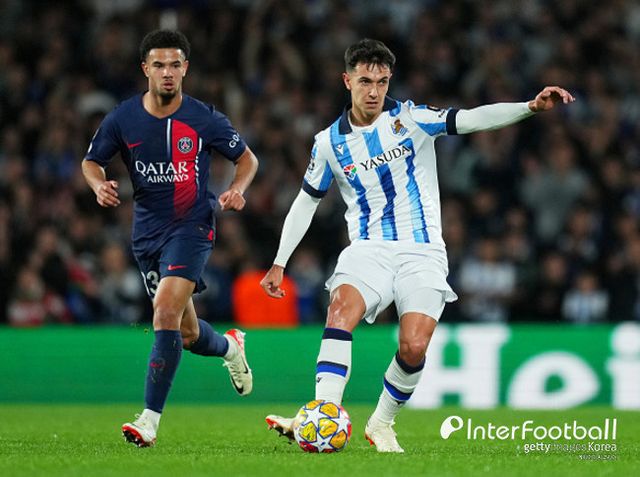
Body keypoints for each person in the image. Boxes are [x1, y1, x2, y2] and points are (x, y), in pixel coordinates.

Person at [260, 38, 574, 453]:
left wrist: (529, 107)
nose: (374, 91)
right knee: (340, 311)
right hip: (368, 248)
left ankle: (381, 423)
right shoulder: (328, 143)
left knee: (414, 346)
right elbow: (306, 202)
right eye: (365, 81)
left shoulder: (411, 119)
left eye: (382, 82)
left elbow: (471, 119)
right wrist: (280, 261)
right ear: (347, 81)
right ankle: (323, 413)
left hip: (422, 250)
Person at [82, 30, 259, 447]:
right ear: (145, 68)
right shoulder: (123, 118)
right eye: (159, 65)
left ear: (185, 69)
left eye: (175, 65)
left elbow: (247, 159)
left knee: (163, 313)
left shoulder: (204, 118)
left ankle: (149, 421)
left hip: (192, 226)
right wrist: (98, 184)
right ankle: (230, 348)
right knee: (187, 334)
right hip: (147, 235)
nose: (167, 72)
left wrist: (237, 189)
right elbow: (91, 161)